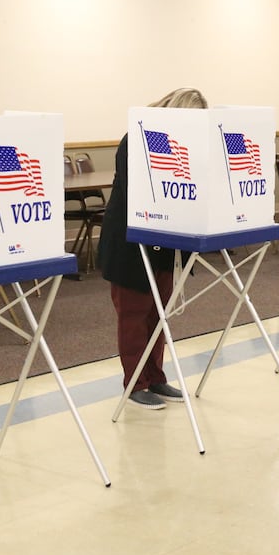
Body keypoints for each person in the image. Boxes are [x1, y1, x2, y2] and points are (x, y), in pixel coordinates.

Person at [98, 88, 208, 409]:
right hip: (131, 245)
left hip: (166, 243)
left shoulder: (183, 143)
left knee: (158, 315)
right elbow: (139, 192)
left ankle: (155, 377)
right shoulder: (136, 139)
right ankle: (135, 383)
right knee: (134, 315)